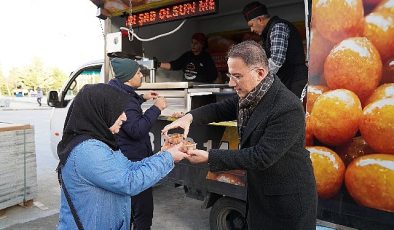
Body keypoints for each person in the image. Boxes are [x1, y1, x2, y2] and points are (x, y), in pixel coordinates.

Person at [162, 41, 317, 229]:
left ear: (260, 73)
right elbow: (219, 109)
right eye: (230, 75)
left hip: (287, 201)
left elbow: (261, 156)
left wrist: (209, 157)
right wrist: (189, 117)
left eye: (237, 76)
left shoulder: (287, 107)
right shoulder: (251, 95)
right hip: (260, 193)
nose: (230, 83)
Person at [56, 83, 187, 230]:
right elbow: (129, 182)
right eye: (119, 111)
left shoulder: (101, 142)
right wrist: (168, 158)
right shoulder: (87, 150)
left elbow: (129, 168)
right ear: (102, 111)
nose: (125, 117)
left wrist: (163, 154)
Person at [108, 57, 167, 230]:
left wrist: (141, 98)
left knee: (127, 208)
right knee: (142, 211)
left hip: (122, 158)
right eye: (138, 73)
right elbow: (137, 130)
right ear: (127, 77)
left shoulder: (116, 90)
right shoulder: (126, 100)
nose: (142, 75)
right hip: (134, 162)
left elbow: (129, 105)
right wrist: (156, 108)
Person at [242, 1, 308, 98]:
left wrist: (256, 78)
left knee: (293, 112)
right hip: (287, 81)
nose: (251, 30)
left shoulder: (278, 27)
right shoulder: (267, 33)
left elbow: (276, 61)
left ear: (260, 20)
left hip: (295, 81)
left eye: (251, 25)